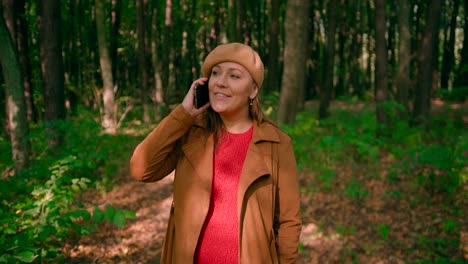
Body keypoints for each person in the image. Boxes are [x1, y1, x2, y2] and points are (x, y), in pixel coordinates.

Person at [130, 42, 302, 263]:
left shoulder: (276, 144)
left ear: (253, 89)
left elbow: (289, 222)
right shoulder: (190, 131)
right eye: (215, 73)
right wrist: (183, 113)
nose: (221, 82)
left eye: (234, 76)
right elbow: (141, 170)